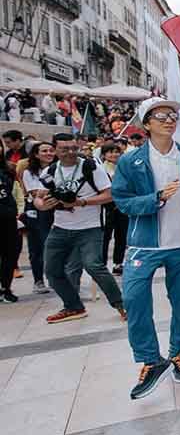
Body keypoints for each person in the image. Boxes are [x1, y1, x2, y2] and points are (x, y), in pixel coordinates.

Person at [112, 98, 180, 399]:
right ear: (146, 124)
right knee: (134, 301)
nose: (169, 120)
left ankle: (177, 354)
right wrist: (155, 198)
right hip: (143, 244)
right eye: (160, 116)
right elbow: (121, 201)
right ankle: (151, 360)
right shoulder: (130, 161)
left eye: (172, 115)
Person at [31, 133, 125, 324]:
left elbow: (110, 195)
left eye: (74, 148)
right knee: (52, 271)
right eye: (65, 149)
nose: (71, 153)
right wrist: (42, 205)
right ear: (55, 150)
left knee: (94, 266)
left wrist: (81, 202)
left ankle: (121, 305)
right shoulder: (49, 172)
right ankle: (73, 306)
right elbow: (38, 197)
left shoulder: (90, 167)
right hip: (60, 228)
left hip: (90, 228)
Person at [19, 142, 53, 294]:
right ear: (36, 154)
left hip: (56, 210)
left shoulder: (59, 169)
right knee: (37, 247)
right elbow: (36, 193)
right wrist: (53, 192)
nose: (48, 153)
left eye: (51, 150)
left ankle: (56, 278)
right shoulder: (29, 172)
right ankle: (38, 280)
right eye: (44, 151)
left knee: (56, 247)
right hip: (36, 213)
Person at [100, 143, 129, 275]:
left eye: (116, 152)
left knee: (121, 235)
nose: (114, 154)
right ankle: (102, 263)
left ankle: (118, 263)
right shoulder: (100, 169)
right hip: (106, 206)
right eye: (110, 152)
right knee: (105, 236)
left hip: (122, 205)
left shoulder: (124, 168)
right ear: (104, 154)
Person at [0, 162, 18, 303]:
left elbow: (16, 192)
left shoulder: (8, 170)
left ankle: (6, 288)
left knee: (10, 254)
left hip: (8, 219)